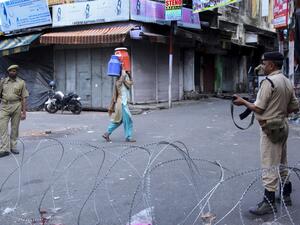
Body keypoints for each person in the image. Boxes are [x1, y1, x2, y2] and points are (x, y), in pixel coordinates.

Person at [233, 51, 299, 215]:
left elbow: (258, 107)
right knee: (282, 161)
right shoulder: (286, 81)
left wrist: (242, 102)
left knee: (269, 164)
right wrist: (280, 111)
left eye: (263, 63)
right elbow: (295, 106)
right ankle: (286, 195)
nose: (261, 66)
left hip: (270, 128)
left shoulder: (268, 82)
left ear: (271, 65)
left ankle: (268, 202)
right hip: (282, 126)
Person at [0, 65, 29, 158]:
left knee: (15, 128)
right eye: (11, 71)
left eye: (14, 71)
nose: (13, 72)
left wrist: (24, 112)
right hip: (4, 106)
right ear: (8, 72)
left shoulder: (21, 83)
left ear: (17, 72)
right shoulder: (3, 82)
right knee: (3, 127)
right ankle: (5, 149)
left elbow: (24, 98)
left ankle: (13, 146)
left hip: (17, 105)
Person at [102, 69, 136, 143]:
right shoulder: (119, 82)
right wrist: (123, 70)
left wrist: (129, 74)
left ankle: (107, 133)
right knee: (128, 120)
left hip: (123, 103)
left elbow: (131, 83)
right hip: (121, 104)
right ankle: (128, 137)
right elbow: (121, 80)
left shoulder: (125, 82)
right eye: (125, 76)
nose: (126, 77)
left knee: (119, 121)